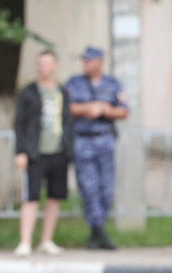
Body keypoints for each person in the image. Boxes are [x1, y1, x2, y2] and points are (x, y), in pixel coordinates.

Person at [65, 46, 129, 250]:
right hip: (83, 141)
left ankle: (96, 231)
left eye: (89, 60)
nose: (86, 64)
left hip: (105, 140)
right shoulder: (74, 83)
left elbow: (124, 111)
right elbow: (66, 107)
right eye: (84, 60)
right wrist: (87, 109)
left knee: (106, 189)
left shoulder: (113, 84)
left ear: (100, 61)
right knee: (88, 187)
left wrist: (104, 109)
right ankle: (99, 231)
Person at [13, 49, 74, 257]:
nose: (43, 68)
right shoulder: (29, 92)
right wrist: (21, 151)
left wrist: (69, 149)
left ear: (55, 66)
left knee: (54, 197)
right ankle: (25, 242)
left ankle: (46, 240)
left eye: (46, 64)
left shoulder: (63, 92)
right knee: (31, 197)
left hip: (58, 152)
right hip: (35, 152)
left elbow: (68, 121)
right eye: (40, 64)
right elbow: (19, 123)